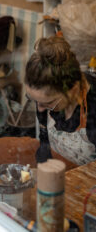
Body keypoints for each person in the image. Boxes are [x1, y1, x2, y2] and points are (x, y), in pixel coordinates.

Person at [25, 36, 96, 168]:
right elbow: (44, 143)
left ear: (74, 89)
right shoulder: (44, 99)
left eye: (49, 103)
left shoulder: (93, 109)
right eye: (34, 100)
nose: (40, 109)